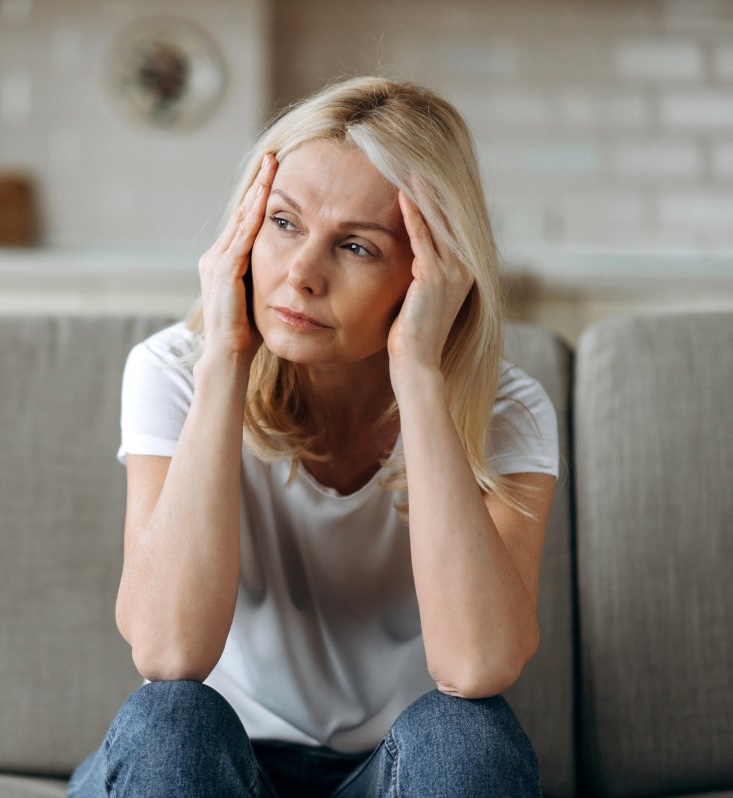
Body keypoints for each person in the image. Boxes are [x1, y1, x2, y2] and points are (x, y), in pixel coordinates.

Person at [67, 76, 559, 798]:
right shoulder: (173, 372)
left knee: (466, 737)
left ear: (432, 273)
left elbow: (477, 668)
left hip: (390, 777)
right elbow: (167, 653)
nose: (300, 275)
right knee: (171, 721)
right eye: (284, 222)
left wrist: (418, 373)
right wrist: (226, 360)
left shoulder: (506, 410)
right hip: (211, 773)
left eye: (356, 247)